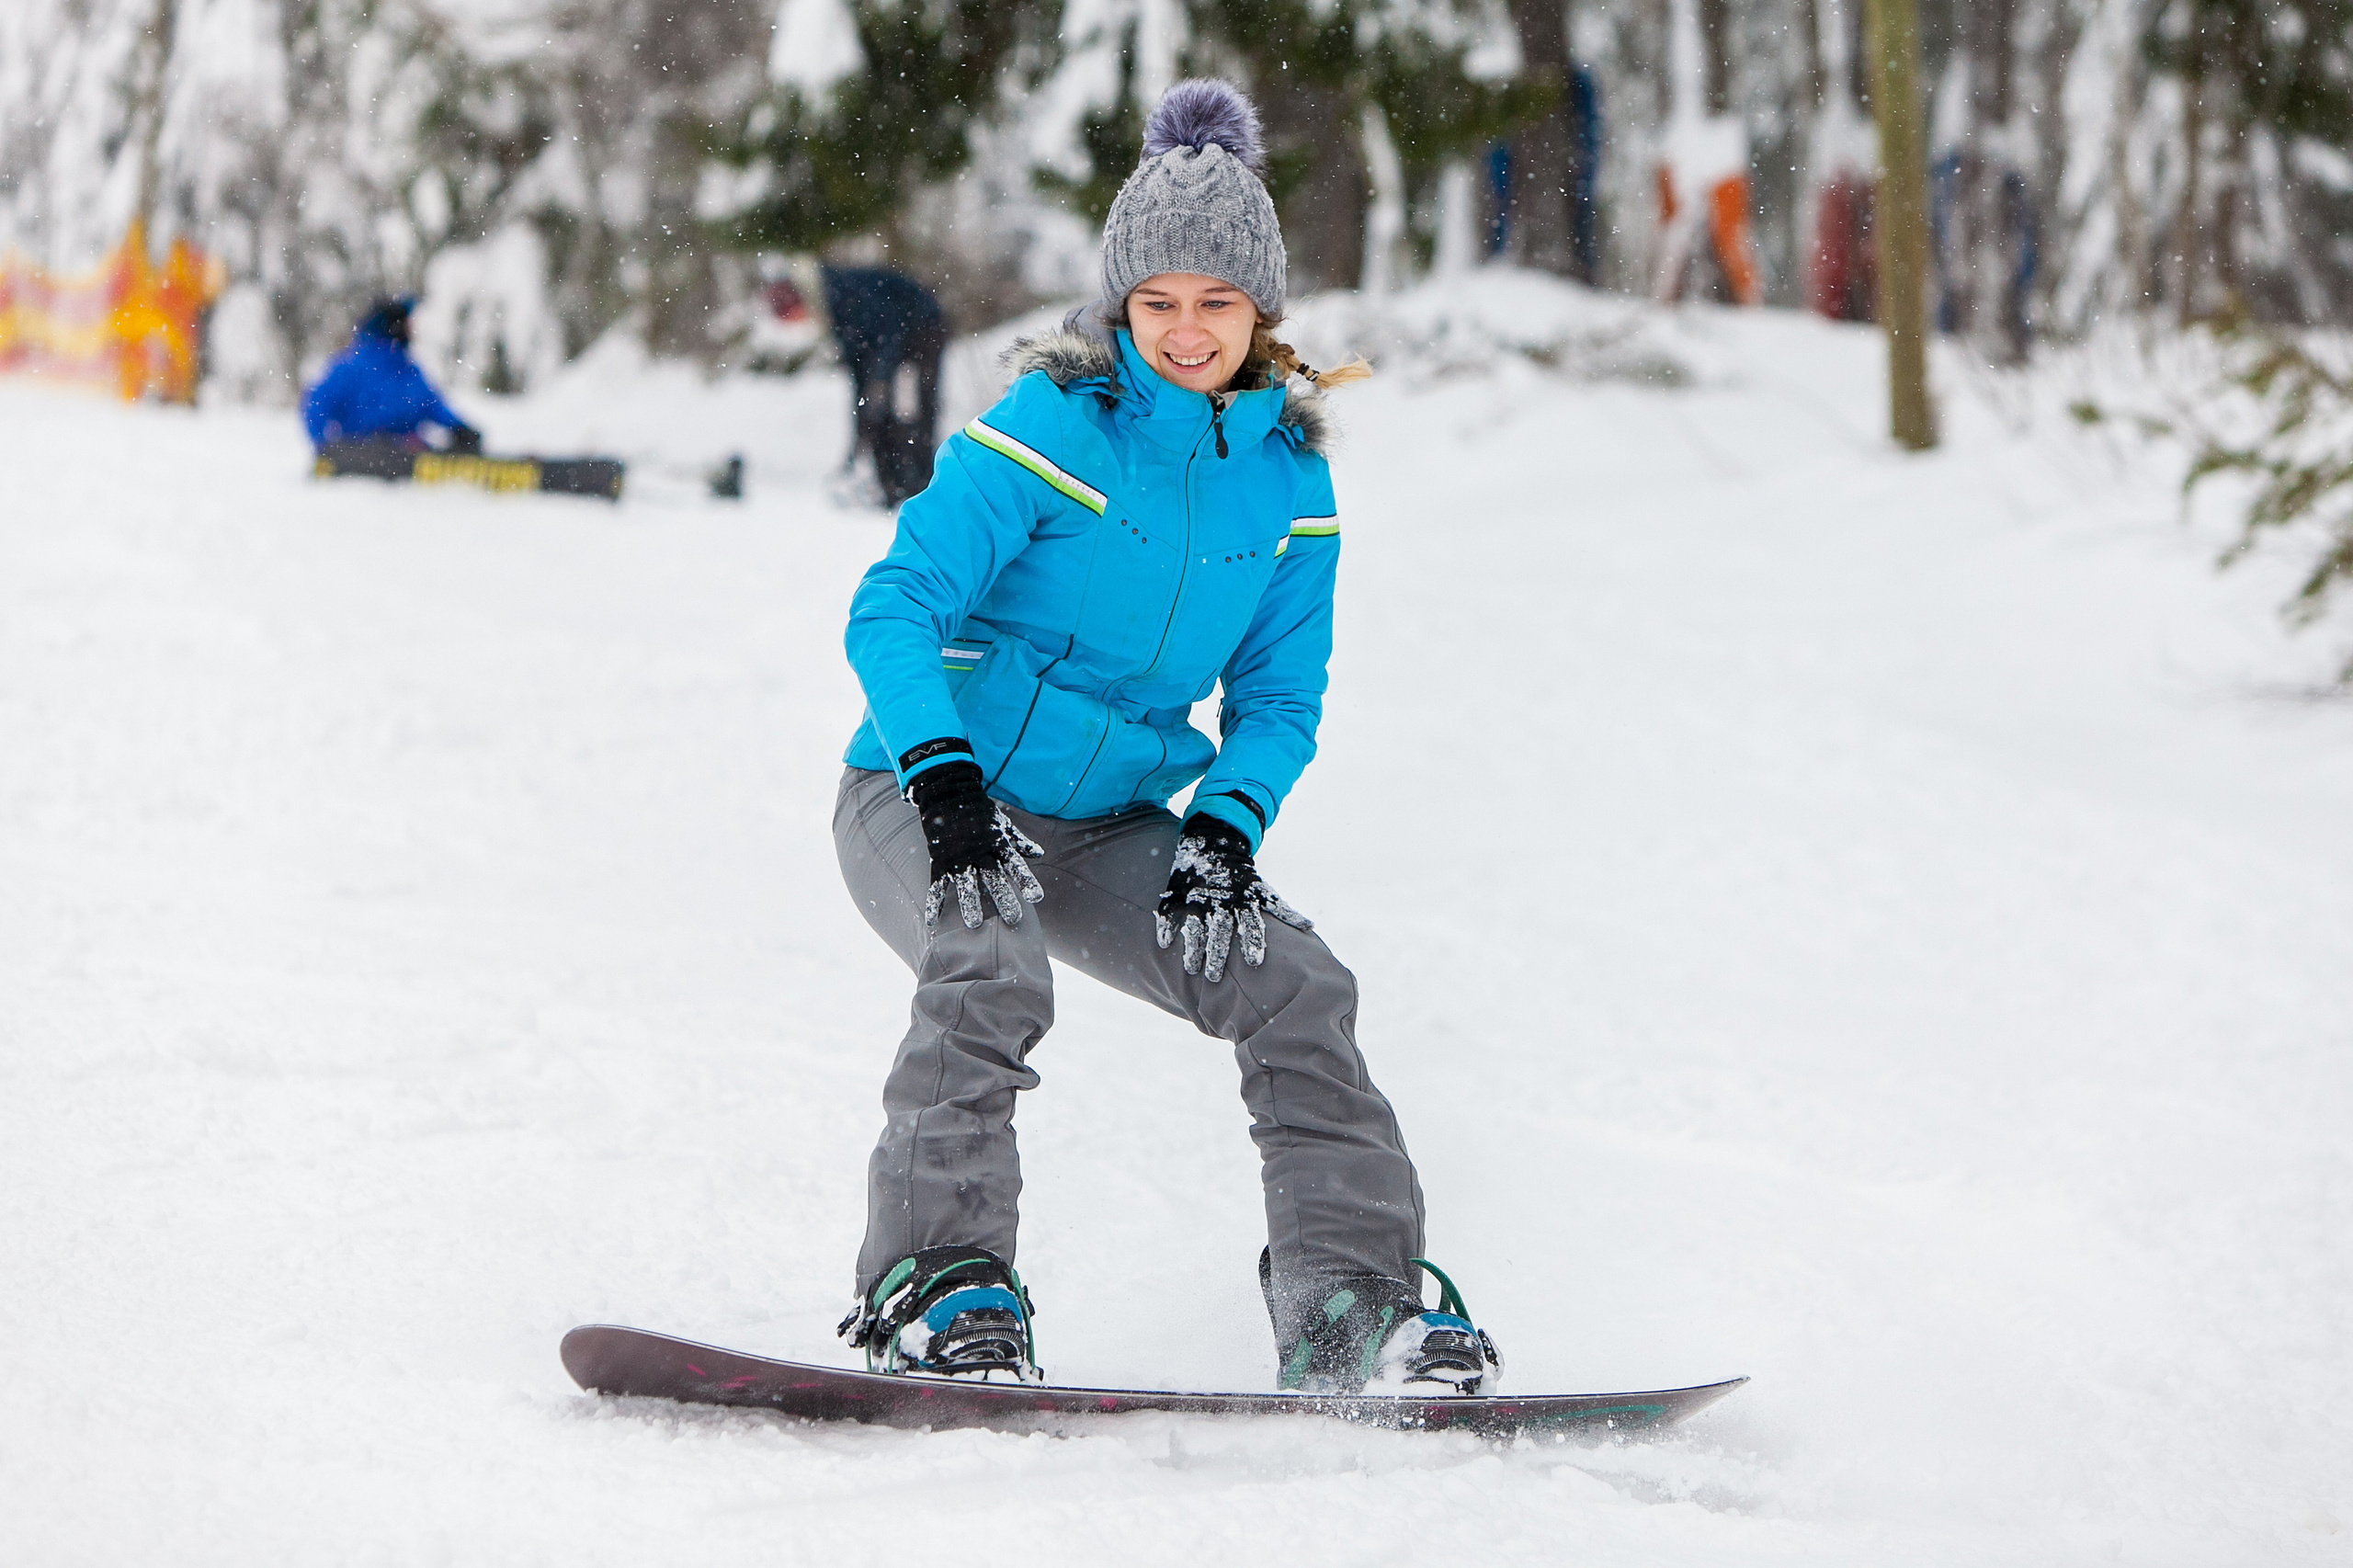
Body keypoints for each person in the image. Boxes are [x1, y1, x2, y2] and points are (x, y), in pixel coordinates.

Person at [829, 80, 1502, 1396]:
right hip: (922, 792)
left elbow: (1278, 697)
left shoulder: (1291, 483)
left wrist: (1226, 829)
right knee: (988, 950)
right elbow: (894, 603)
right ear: (1123, 305)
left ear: (1262, 312)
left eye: (1216, 303)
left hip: (1104, 825)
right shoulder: (1048, 430)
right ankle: (936, 1284)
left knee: (1294, 981)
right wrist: (949, 789)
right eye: (1158, 303)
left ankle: (1350, 1311)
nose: (1186, 332)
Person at [821, 265, 949, 507]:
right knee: (875, 413)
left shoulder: (852, 293)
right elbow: (856, 370)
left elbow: (887, 332)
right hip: (893, 340)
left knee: (914, 410)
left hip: (925, 328)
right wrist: (861, 423)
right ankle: (891, 485)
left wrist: (880, 380)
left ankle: (921, 483)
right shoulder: (836, 312)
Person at [301, 297, 483, 453]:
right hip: (361, 461)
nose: (412, 331)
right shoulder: (350, 367)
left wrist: (458, 428)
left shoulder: (408, 370)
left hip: (408, 458)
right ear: (392, 326)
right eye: (407, 324)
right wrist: (326, 449)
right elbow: (316, 406)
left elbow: (432, 406)